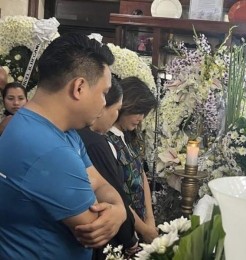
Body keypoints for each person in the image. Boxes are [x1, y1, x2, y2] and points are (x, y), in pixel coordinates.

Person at [0, 33, 127, 259]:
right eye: (104, 93)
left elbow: (98, 183)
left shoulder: (56, 129)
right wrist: (117, 211)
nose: (105, 103)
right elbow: (95, 229)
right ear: (79, 87)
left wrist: (118, 210)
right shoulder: (49, 150)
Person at [78, 77, 139, 259]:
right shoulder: (95, 142)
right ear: (102, 106)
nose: (116, 116)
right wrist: (130, 240)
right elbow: (112, 189)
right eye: (117, 110)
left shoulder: (74, 134)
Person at [107, 76, 158, 243]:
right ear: (124, 105)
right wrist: (143, 229)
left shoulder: (130, 136)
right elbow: (117, 195)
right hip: (124, 227)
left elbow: (141, 174)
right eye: (137, 111)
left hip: (141, 222)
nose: (141, 118)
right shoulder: (107, 140)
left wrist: (149, 219)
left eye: (144, 113)